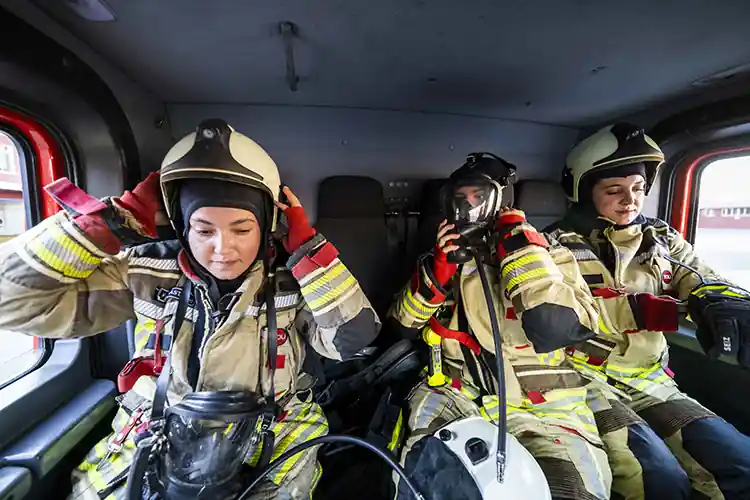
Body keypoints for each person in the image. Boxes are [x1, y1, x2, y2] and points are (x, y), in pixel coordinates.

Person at [0, 119, 381, 499]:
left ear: (268, 225)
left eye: (242, 229)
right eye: (203, 229)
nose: (222, 248)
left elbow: (351, 338)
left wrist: (309, 253)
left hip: (273, 427)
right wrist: (106, 227)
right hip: (156, 425)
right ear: (182, 226)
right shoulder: (145, 271)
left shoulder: (293, 280)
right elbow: (12, 302)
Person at [389, 152, 623, 500]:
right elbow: (402, 325)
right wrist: (437, 274)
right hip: (457, 393)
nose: (468, 209)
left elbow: (557, 326)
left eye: (478, 198)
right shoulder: (444, 257)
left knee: (570, 490)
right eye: (460, 200)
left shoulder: (553, 253)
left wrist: (518, 245)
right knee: (426, 481)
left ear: (500, 202)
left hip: (545, 402)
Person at [547, 122, 750, 499]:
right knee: (653, 477)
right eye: (614, 190)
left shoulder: (661, 238)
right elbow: (561, 310)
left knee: (739, 462)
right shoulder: (553, 247)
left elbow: (701, 276)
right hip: (584, 382)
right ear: (584, 192)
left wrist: (721, 302)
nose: (631, 201)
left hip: (652, 381)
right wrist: (641, 310)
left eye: (639, 189)